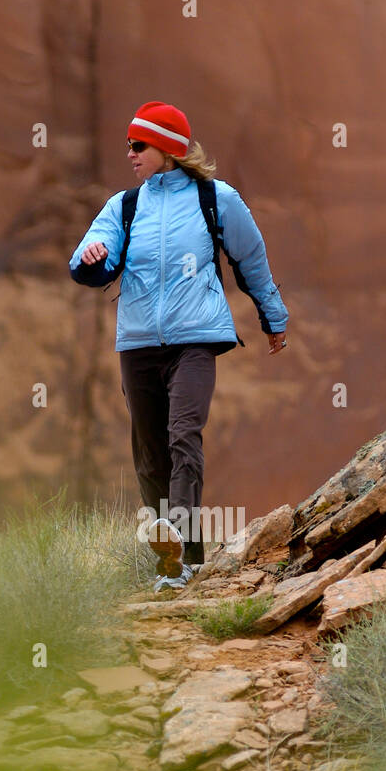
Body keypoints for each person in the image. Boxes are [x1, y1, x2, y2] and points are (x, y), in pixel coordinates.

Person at [69, 100, 288, 591]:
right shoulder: (124, 206)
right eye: (128, 144)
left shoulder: (217, 199)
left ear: (166, 149)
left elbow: (251, 259)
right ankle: (179, 560)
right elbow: (87, 265)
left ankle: (182, 549)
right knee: (149, 455)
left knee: (183, 435)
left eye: (138, 144)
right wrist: (93, 256)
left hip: (196, 339)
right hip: (138, 343)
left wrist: (273, 317)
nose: (129, 153)